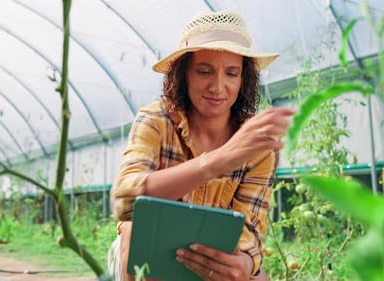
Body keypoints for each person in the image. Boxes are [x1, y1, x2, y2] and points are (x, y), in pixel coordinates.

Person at [107, 10, 295, 281]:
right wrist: (217, 161)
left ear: (244, 79)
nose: (218, 87)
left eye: (232, 73)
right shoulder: (156, 121)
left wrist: (243, 263)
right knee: (132, 232)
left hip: (209, 257)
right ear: (183, 74)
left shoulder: (258, 144)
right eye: (204, 71)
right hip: (150, 255)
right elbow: (124, 202)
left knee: (258, 276)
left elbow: (249, 233)